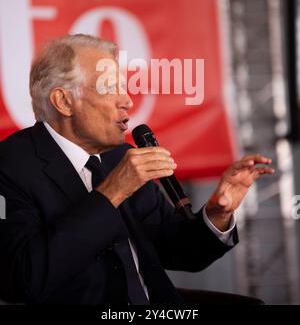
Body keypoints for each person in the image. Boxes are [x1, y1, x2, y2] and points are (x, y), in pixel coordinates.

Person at [0, 34, 274, 305]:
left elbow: (182, 253)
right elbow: (23, 279)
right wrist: (112, 192)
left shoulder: (119, 156)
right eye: (110, 88)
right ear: (64, 101)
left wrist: (217, 213)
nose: (128, 101)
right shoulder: (11, 165)